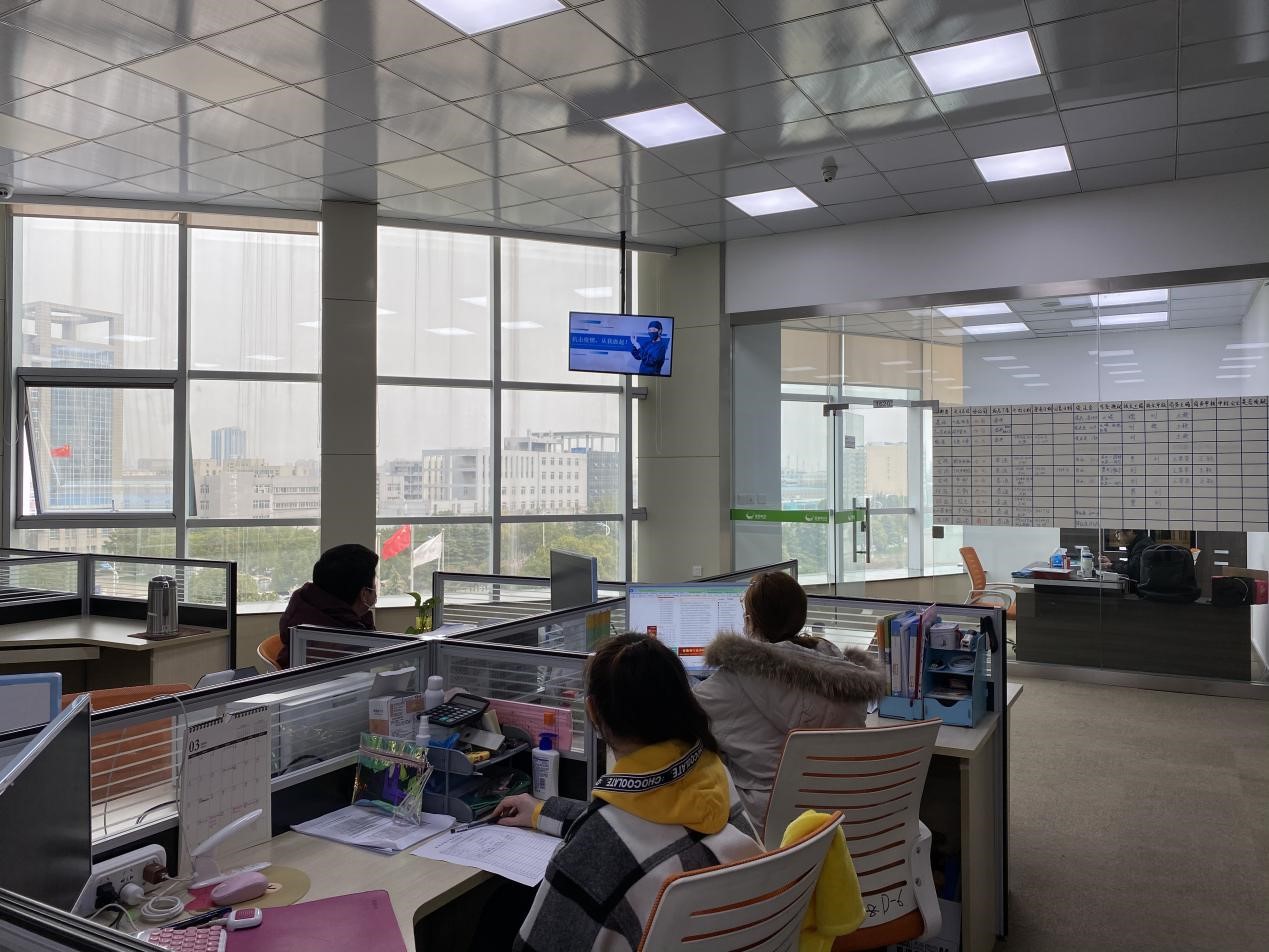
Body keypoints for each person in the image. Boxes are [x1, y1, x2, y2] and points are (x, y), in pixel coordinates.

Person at [493, 633, 760, 952]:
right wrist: (540, 812)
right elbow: (646, 827)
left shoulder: (598, 846)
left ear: (593, 712)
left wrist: (586, 834)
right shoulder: (713, 774)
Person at [693, 572, 888, 838]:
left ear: (749, 622)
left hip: (772, 832)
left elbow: (679, 714)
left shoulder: (733, 682)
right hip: (839, 826)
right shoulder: (845, 676)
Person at [276, 543, 378, 668]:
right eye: (374, 581)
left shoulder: (308, 611)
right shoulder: (346, 643)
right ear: (364, 594)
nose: (376, 586)